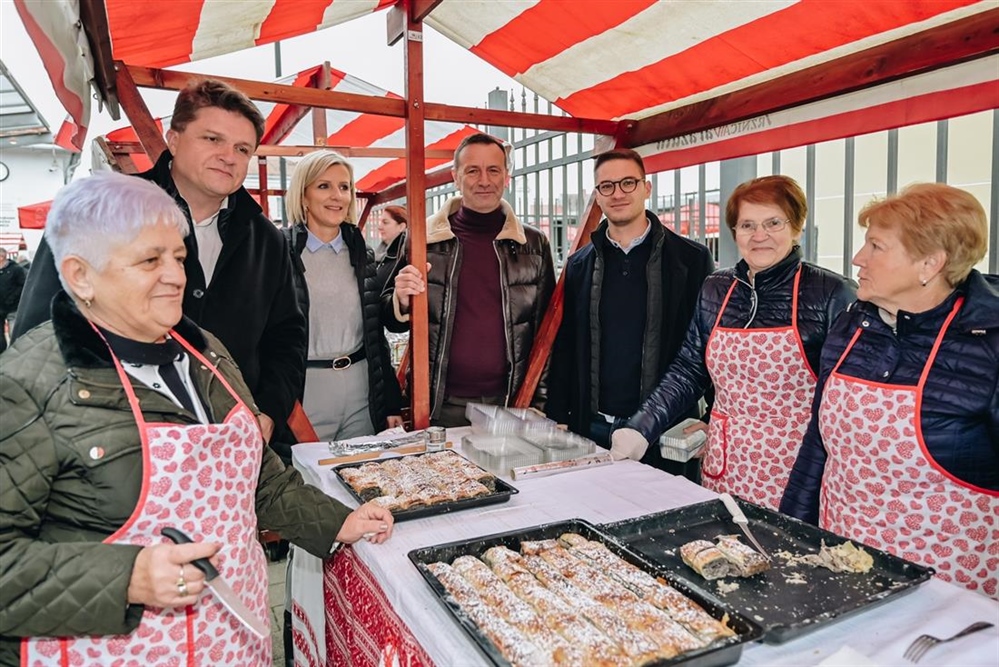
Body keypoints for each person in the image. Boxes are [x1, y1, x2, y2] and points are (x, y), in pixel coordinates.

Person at [0, 173, 394, 665]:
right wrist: (127, 577)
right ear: (80, 275)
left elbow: (258, 479)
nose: (175, 276)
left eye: (179, 257)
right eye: (150, 260)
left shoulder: (206, 353)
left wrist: (339, 521)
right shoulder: (27, 386)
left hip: (231, 641)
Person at [11, 79, 306, 460]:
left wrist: (268, 413)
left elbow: (286, 336)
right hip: (118, 450)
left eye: (242, 148)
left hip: (233, 449)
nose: (229, 157)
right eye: (212, 139)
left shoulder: (267, 239)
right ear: (174, 139)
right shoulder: (102, 209)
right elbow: (40, 330)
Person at [781, 183, 998, 597]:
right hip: (840, 564)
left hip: (948, 592)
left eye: (876, 246)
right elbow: (818, 446)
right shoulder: (852, 325)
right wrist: (788, 535)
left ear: (930, 263)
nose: (858, 258)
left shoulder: (988, 344)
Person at [613, 175, 856, 509]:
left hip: (798, 477)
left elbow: (844, 401)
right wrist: (640, 429)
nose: (759, 236)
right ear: (734, 232)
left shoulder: (831, 293)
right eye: (747, 225)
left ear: (797, 226)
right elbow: (689, 370)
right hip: (726, 466)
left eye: (773, 223)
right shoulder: (716, 288)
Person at [545, 148, 715, 473]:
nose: (618, 193)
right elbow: (567, 346)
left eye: (628, 183)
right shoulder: (579, 264)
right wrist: (557, 415)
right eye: (607, 186)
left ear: (646, 188)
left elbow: (708, 346)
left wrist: (711, 417)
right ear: (597, 196)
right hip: (593, 428)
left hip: (665, 428)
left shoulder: (690, 260)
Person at [390, 132, 556, 426]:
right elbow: (387, 315)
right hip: (440, 404)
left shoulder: (533, 244)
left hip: (510, 403)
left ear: (506, 177)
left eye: (493, 170)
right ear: (456, 177)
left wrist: (538, 403)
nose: (484, 180)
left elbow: (547, 331)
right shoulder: (422, 239)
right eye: (472, 171)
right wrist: (400, 301)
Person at [284, 150, 403, 440]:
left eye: (344, 187)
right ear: (303, 195)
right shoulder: (280, 253)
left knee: (362, 466)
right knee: (307, 469)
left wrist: (390, 401)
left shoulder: (363, 253)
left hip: (361, 391)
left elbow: (375, 335)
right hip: (305, 391)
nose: (337, 196)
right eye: (324, 186)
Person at [374, 205, 408, 294]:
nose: (379, 227)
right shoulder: (378, 254)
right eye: (380, 222)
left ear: (401, 227)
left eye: (385, 222)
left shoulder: (405, 257)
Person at [0, 247, 26, 352]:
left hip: (13, 307)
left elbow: (23, 285)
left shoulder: (16, 269)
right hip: (0, 307)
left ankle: (16, 352)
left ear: (1, 257)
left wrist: (12, 298)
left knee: (14, 332)